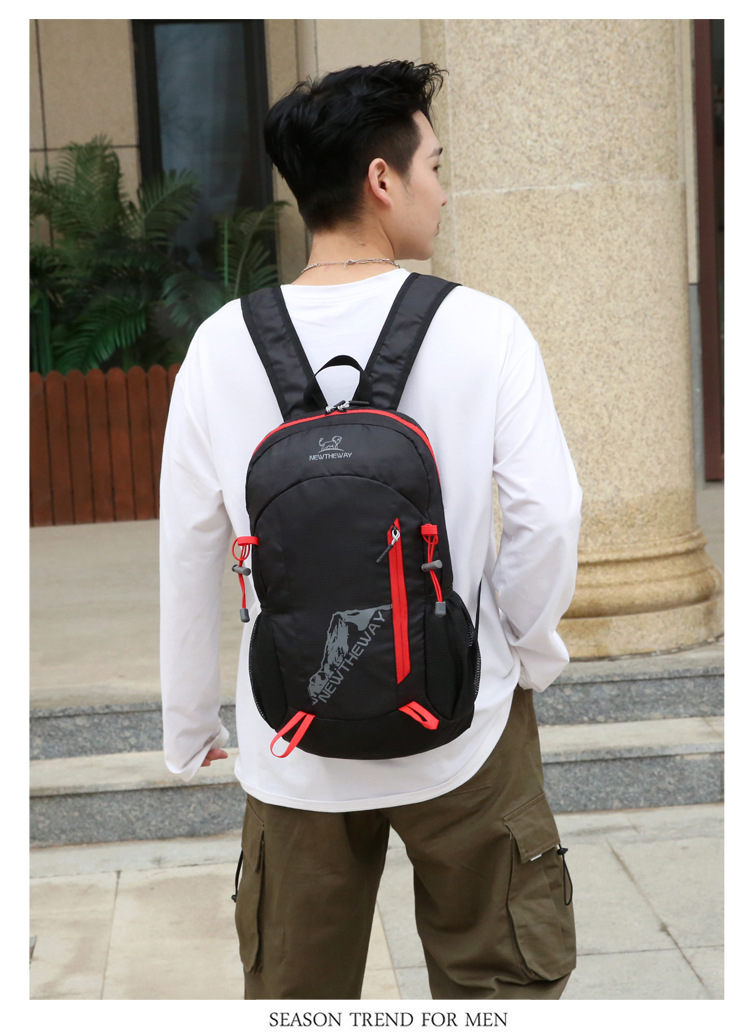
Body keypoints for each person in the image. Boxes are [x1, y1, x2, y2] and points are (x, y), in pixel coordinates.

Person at [160, 59, 582, 1001]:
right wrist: (519, 650)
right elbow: (548, 515)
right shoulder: (485, 329)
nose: (443, 188)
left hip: (292, 735)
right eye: (435, 165)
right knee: (500, 990)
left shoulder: (220, 345)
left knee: (298, 1000)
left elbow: (189, 548)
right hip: (462, 723)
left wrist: (190, 723)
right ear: (382, 180)